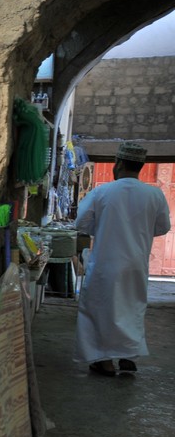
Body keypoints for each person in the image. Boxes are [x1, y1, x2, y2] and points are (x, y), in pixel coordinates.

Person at [74, 141, 171, 376]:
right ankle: (128, 356)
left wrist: (105, 228)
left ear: (118, 164)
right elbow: (163, 227)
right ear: (140, 166)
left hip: (106, 263)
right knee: (132, 308)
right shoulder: (154, 194)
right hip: (136, 263)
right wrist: (140, 231)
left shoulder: (102, 192)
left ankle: (104, 361)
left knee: (101, 309)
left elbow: (81, 223)